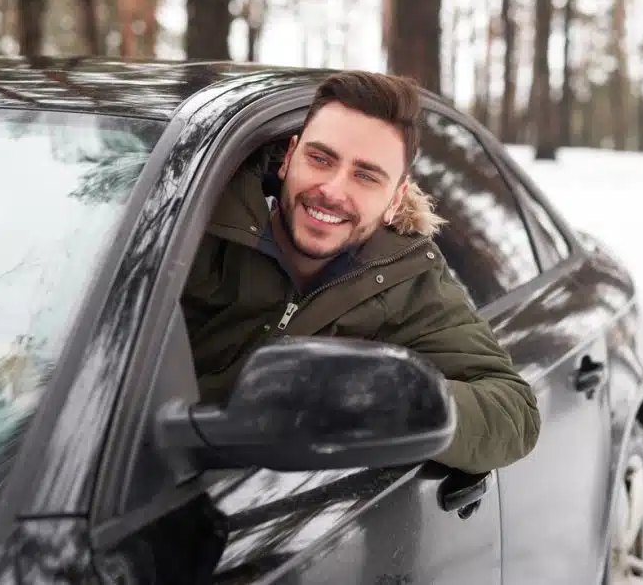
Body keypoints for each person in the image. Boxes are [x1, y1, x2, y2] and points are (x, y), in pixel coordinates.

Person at [180, 71, 540, 474]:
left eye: (365, 176)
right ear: (289, 158)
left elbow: (513, 412)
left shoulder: (410, 283)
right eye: (320, 159)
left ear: (395, 199)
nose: (333, 190)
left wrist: (383, 396)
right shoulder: (190, 224)